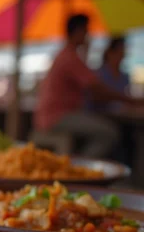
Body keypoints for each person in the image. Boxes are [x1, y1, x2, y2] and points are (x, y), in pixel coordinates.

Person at [35, 15, 143, 158]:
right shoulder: (70, 57)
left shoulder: (66, 55)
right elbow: (96, 90)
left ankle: (79, 164)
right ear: (79, 31)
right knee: (109, 133)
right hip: (58, 117)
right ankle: (81, 168)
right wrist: (131, 100)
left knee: (105, 130)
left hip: (54, 116)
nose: (88, 35)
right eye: (86, 31)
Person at [89, 36, 130, 112]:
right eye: (118, 52)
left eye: (122, 52)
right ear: (109, 53)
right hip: (99, 116)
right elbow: (96, 97)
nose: (121, 55)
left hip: (119, 116)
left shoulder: (124, 77)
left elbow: (126, 104)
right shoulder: (98, 74)